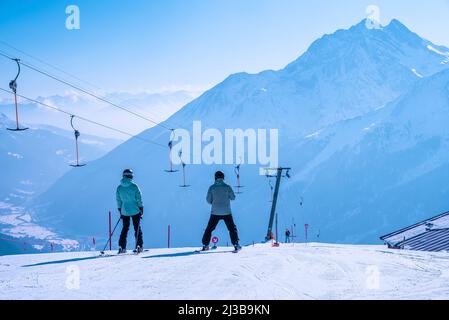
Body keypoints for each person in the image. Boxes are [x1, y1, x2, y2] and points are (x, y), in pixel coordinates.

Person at [201, 171, 241, 252]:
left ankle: (205, 245)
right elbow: (233, 198)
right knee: (232, 229)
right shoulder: (227, 187)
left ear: (215, 178)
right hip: (227, 212)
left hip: (215, 212)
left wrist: (215, 202)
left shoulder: (211, 187)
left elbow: (208, 200)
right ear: (223, 178)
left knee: (209, 229)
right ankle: (236, 244)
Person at [116, 169, 144, 254]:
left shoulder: (119, 188)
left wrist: (120, 209)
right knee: (137, 228)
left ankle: (122, 246)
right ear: (131, 176)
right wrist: (141, 208)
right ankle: (139, 245)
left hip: (124, 211)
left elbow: (118, 200)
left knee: (125, 229)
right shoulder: (134, 186)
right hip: (135, 210)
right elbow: (139, 198)